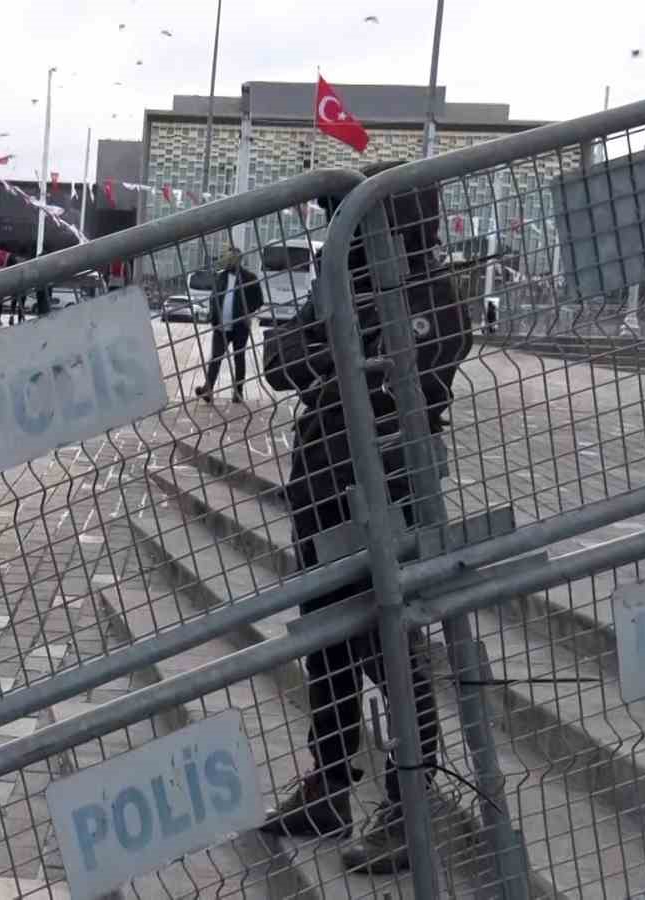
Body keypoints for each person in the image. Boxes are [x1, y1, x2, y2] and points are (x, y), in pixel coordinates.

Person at [259, 162, 471, 874]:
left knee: (388, 646)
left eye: (355, 213)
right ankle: (329, 783)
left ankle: (411, 806)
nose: (340, 230)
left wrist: (339, 355)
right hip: (321, 483)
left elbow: (405, 373)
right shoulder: (344, 281)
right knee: (326, 641)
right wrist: (344, 353)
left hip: (387, 494)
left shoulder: (429, 293)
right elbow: (281, 360)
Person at [194, 247, 264, 404]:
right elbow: (214, 297)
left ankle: (238, 392)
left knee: (239, 358)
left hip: (240, 326)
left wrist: (248, 313)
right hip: (221, 327)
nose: (227, 261)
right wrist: (213, 316)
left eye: (231, 258)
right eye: (227, 258)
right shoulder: (221, 277)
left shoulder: (250, 278)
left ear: (238, 260)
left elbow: (259, 300)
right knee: (215, 358)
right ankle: (208, 389)